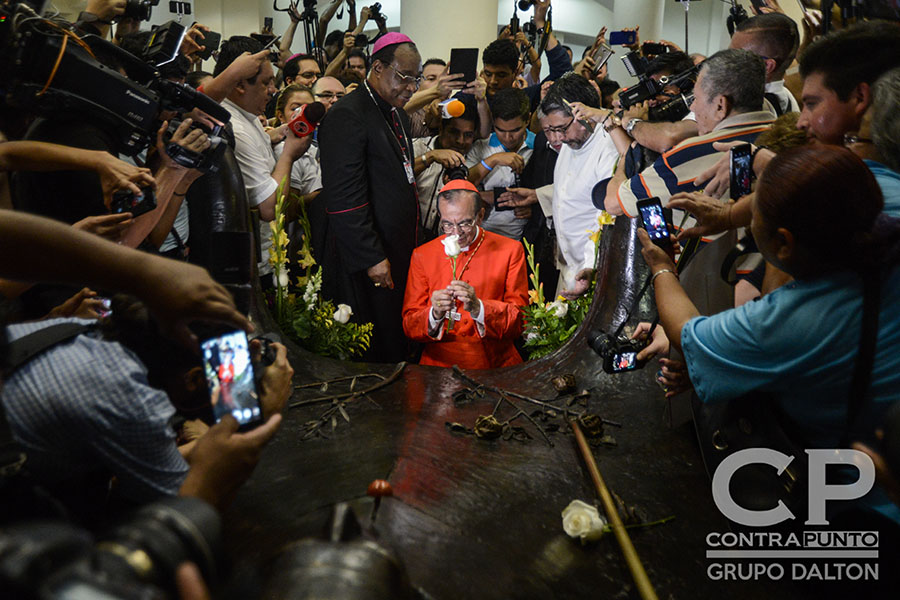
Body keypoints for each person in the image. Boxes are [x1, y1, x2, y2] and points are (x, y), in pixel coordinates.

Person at [638, 144, 900, 529]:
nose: (750, 209)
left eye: (755, 211)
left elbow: (688, 335)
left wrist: (662, 267)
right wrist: (729, 214)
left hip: (860, 502)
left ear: (783, 243)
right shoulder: (883, 204)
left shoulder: (790, 322)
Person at [315, 32, 423, 363]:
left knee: (393, 331)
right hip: (366, 257)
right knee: (373, 341)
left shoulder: (393, 112)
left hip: (394, 246)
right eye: (404, 78)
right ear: (377, 67)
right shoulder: (348, 114)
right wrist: (370, 256)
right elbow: (345, 196)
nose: (411, 88)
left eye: (415, 80)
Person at [402, 179, 527, 369]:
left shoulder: (510, 250)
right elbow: (409, 325)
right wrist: (434, 313)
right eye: (447, 225)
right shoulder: (422, 255)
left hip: (493, 363)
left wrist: (479, 308)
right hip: (437, 365)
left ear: (480, 216)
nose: (456, 233)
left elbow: (520, 320)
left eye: (465, 223)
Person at [466, 88, 534, 241]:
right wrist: (493, 160)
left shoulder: (540, 147)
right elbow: (462, 184)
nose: (508, 137)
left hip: (526, 239)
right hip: (484, 236)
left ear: (528, 120)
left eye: (516, 130)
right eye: (500, 130)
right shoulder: (481, 147)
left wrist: (536, 207)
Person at [412, 95, 478, 235]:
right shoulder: (418, 147)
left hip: (447, 242)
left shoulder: (474, 158)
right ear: (442, 128)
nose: (460, 141)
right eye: (454, 132)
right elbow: (397, 176)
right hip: (408, 232)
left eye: (468, 135)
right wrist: (430, 157)